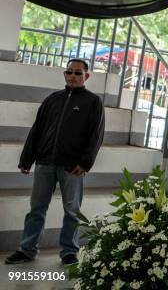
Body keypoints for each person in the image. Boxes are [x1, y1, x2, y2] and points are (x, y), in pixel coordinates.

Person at [4, 58, 105, 266]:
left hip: (72, 167)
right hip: (45, 163)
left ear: (86, 76)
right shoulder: (52, 99)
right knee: (36, 209)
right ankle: (27, 249)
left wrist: (85, 163)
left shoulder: (92, 102)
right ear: (65, 74)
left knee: (72, 211)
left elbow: (96, 135)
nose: (73, 76)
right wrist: (27, 158)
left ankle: (69, 251)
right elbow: (37, 130)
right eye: (69, 72)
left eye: (78, 73)